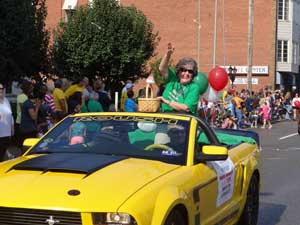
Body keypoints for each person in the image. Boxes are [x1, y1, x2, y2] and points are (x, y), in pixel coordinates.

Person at [158, 43, 200, 115]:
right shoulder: (172, 79)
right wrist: (168, 55)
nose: (186, 73)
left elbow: (185, 108)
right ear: (178, 71)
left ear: (193, 74)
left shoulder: (194, 87)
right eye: (183, 70)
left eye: (190, 71)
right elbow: (162, 68)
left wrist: (166, 101)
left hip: (183, 123)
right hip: (165, 120)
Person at [0, 83, 14, 161]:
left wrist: (12, 127)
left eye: (2, 88)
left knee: (3, 152)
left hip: (6, 132)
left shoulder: (6, 100)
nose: (1, 90)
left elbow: (10, 115)